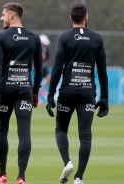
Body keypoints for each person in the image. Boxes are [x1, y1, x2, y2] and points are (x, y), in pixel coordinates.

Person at [46, 3, 108, 184]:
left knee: (60, 129)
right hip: (87, 92)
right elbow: (102, 71)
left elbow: (57, 68)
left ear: (71, 18)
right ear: (86, 17)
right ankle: (79, 177)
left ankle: (67, 162)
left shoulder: (64, 37)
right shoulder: (97, 38)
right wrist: (104, 96)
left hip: (67, 91)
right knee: (85, 135)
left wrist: (50, 95)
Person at [0, 3, 42, 184]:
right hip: (24, 90)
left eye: (3, 15)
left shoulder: (0, 37)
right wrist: (35, 92)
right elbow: (39, 69)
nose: (1, 18)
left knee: (2, 130)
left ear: (12, 16)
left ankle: (2, 175)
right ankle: (21, 177)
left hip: (5, 90)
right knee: (24, 133)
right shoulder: (34, 38)